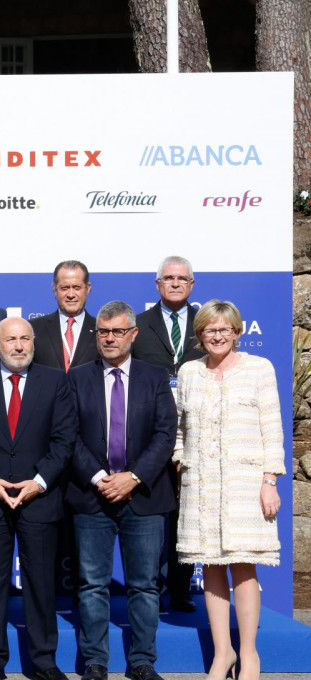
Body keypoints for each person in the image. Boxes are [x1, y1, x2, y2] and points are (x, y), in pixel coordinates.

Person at [0, 317, 76, 680]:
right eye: (11, 340)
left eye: (25, 338)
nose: (19, 346)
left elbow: (64, 440)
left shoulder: (55, 381)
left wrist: (38, 482)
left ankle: (44, 661)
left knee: (41, 584)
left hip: (39, 498)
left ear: (34, 342)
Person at [173, 299, 284, 680]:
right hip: (201, 485)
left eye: (224, 329)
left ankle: (249, 652)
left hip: (245, 484)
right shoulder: (189, 372)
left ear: (237, 332)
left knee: (243, 564)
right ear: (200, 335)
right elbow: (180, 427)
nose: (217, 336)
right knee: (210, 565)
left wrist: (269, 480)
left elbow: (272, 427)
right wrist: (179, 459)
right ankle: (223, 653)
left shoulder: (259, 368)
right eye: (209, 330)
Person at [67, 301, 177, 680]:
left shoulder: (155, 377)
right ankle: (95, 662)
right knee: (92, 584)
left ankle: (142, 662)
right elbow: (68, 435)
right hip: (92, 495)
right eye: (103, 332)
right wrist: (100, 477)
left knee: (144, 585)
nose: (109, 338)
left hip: (143, 495)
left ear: (133, 334)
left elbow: (166, 433)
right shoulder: (77, 378)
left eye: (117, 332)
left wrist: (133, 476)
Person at [132, 255, 206, 613]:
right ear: (158, 284)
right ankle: (146, 589)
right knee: (148, 512)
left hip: (193, 433)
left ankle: (179, 590)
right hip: (147, 433)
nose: (175, 283)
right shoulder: (138, 325)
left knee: (184, 513)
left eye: (181, 279)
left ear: (191, 285)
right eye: (169, 278)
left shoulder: (206, 325)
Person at [29, 260, 97, 372]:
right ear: (54, 289)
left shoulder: (102, 331)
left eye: (77, 287)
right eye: (64, 288)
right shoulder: (33, 328)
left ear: (88, 288)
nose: (71, 295)